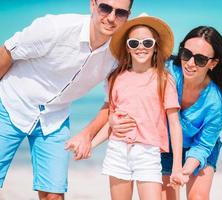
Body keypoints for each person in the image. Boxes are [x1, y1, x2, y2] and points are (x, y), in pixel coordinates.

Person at [0, 0, 134, 199]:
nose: (112, 18)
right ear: (93, 4)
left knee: (54, 195)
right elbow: (7, 51)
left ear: (128, 16)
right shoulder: (55, 28)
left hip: (55, 118)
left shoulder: (118, 55)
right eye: (105, 8)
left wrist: (87, 135)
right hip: (10, 104)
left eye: (120, 13)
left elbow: (111, 101)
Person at [109, 26, 222, 200]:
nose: (190, 63)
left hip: (199, 148)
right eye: (186, 54)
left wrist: (184, 171)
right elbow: (133, 95)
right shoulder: (166, 71)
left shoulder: (216, 101)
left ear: (213, 63)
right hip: (165, 147)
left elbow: (203, 146)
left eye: (200, 59)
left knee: (198, 197)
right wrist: (113, 119)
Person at [90, 14, 186, 200]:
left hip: (148, 154)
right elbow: (113, 122)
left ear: (155, 46)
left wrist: (176, 167)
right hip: (117, 151)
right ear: (127, 47)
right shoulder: (115, 79)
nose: (140, 47)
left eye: (147, 43)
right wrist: (90, 145)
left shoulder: (164, 79)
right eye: (134, 43)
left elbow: (175, 125)